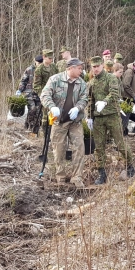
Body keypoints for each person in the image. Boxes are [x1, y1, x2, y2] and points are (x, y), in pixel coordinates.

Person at [40, 58, 89, 187]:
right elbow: (44, 94)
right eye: (79, 68)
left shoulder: (82, 83)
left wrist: (77, 108)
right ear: (70, 68)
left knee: (79, 147)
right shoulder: (55, 80)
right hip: (58, 122)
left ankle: (76, 177)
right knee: (59, 149)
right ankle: (60, 176)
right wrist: (51, 106)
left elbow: (85, 98)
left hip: (75, 122)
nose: (81, 71)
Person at [87, 56, 135, 184]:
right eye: (93, 67)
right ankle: (101, 173)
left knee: (120, 144)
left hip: (113, 115)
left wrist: (105, 101)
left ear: (102, 66)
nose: (95, 69)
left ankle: (130, 166)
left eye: (97, 66)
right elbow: (90, 101)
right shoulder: (92, 82)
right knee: (99, 147)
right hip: (99, 118)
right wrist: (89, 117)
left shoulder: (111, 78)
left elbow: (115, 93)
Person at [17, 55, 43, 135]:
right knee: (32, 109)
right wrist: (20, 90)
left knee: (39, 113)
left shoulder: (44, 70)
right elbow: (23, 81)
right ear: (35, 61)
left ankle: (35, 131)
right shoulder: (29, 69)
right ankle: (28, 127)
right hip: (29, 93)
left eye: (41, 63)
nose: (39, 64)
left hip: (39, 94)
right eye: (38, 63)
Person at [34, 49, 58, 135]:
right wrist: (43, 95)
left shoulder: (54, 67)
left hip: (55, 94)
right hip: (45, 95)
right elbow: (36, 85)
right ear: (44, 57)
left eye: (52, 58)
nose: (51, 60)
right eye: (49, 58)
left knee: (55, 115)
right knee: (45, 117)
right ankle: (46, 135)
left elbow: (58, 79)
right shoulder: (39, 69)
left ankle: (54, 134)